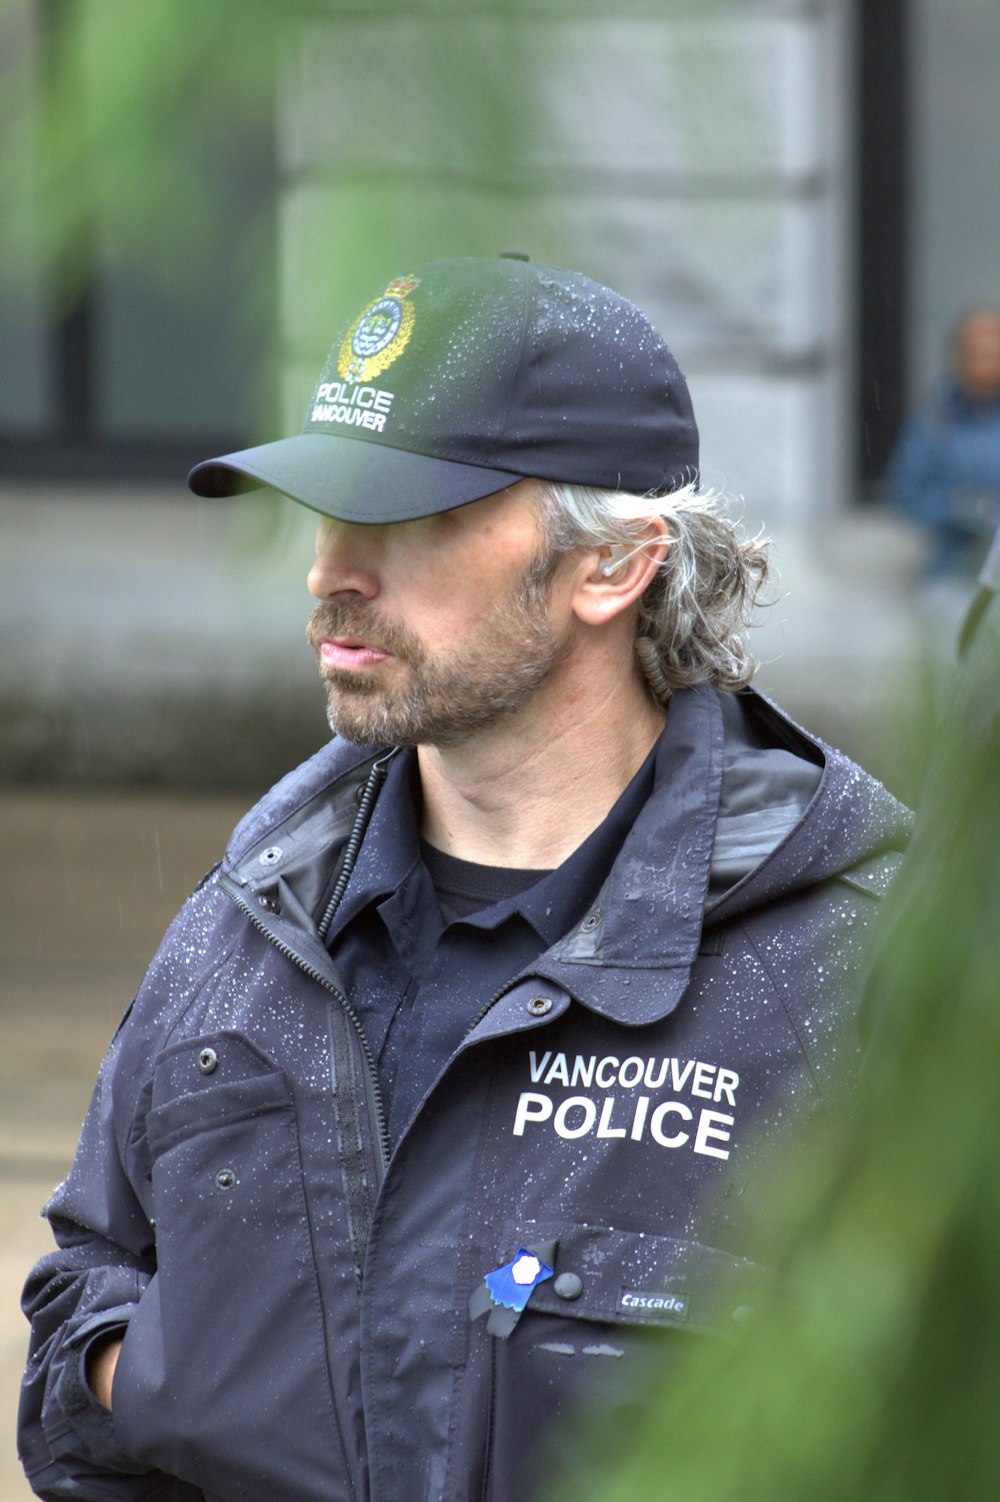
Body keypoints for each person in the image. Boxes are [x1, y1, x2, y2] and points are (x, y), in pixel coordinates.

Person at [18, 256, 910, 1502]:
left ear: (613, 563)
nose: (333, 569)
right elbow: (84, 1298)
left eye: (413, 519)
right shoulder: (257, 917)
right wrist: (170, 1381)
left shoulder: (856, 967)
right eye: (322, 512)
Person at [887, 307, 1000, 582]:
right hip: (951, 569)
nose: (987, 363)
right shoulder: (936, 417)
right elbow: (903, 491)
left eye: (994, 353)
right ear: (959, 357)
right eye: (978, 354)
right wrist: (956, 506)